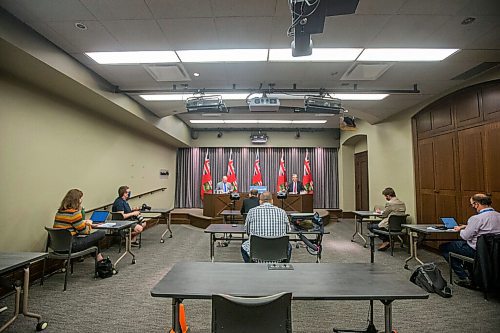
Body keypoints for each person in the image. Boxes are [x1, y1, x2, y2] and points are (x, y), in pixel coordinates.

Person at [439, 193, 500, 287]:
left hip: (476, 251)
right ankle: (474, 273)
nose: (473, 207)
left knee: (444, 247)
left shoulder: (476, 218)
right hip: (494, 252)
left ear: (477, 204)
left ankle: (465, 277)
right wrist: (467, 226)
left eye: (472, 205)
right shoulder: (498, 216)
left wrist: (461, 229)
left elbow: (465, 236)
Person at [53, 189, 106, 262]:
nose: (81, 200)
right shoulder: (74, 213)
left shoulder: (59, 213)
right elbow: (84, 232)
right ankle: (100, 261)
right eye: (80, 198)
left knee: (93, 240)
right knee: (101, 233)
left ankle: (100, 259)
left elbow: (70, 224)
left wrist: (83, 222)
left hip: (58, 246)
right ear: (77, 200)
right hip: (72, 246)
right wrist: (89, 224)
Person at [241, 191, 291, 263]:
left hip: (256, 255)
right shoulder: (282, 212)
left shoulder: (251, 212)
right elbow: (287, 231)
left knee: (244, 246)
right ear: (272, 201)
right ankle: (282, 267)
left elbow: (247, 231)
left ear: (260, 201)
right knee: (288, 246)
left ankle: (251, 267)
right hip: (279, 254)